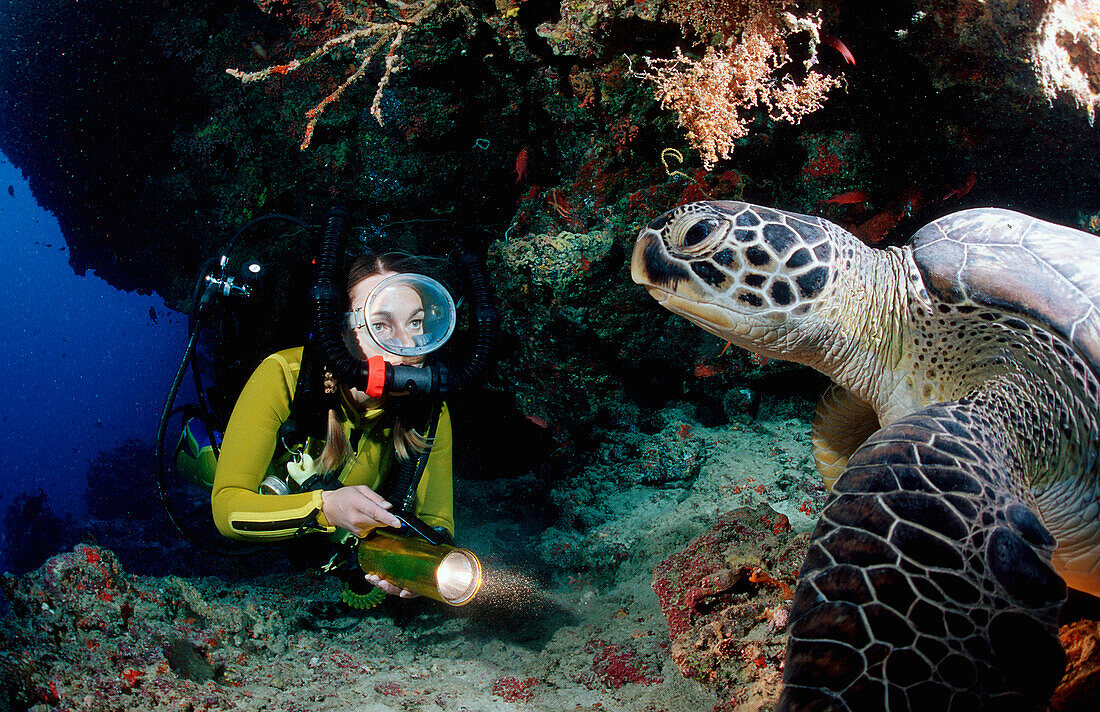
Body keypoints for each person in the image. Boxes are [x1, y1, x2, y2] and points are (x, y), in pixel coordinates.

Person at [211, 253, 454, 599]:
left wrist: (421, 564)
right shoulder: (284, 376)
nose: (406, 346)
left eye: (415, 324)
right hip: (272, 498)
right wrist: (326, 508)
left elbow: (438, 522)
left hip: (333, 544)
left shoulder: (430, 410)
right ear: (341, 330)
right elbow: (227, 510)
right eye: (380, 325)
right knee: (209, 464)